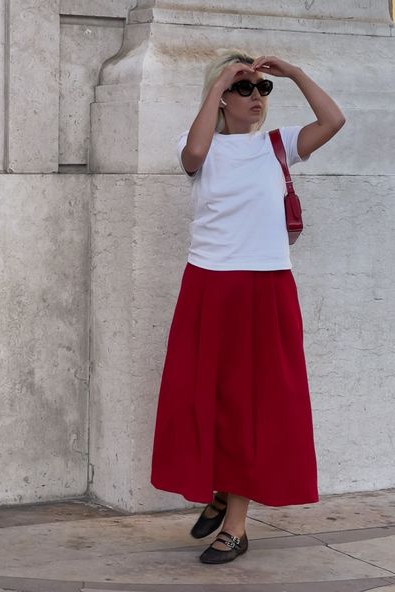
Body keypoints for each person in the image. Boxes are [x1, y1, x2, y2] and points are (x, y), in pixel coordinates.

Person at [150, 49, 345, 565]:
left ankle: (236, 524)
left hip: (266, 287)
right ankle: (219, 490)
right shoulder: (201, 147)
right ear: (222, 96)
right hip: (209, 285)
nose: (256, 97)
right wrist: (219, 84)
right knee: (204, 399)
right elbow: (193, 153)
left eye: (263, 89)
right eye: (245, 88)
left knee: (252, 406)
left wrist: (295, 73)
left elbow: (334, 120)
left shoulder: (279, 146)